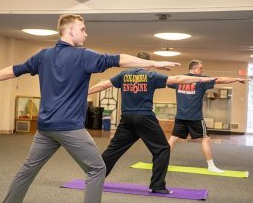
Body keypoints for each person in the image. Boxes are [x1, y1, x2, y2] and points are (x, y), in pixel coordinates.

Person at [0, 15, 180, 203]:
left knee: (27, 170)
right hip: (70, 128)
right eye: (83, 29)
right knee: (97, 169)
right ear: (69, 31)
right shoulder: (84, 56)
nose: (86, 33)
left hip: (46, 128)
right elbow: (119, 59)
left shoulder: (43, 55)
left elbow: (14, 69)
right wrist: (153, 63)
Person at [88, 52, 215, 194]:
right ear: (147, 63)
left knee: (114, 150)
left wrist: (85, 93)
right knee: (162, 149)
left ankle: (95, 178)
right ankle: (158, 185)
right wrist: (202, 79)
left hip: (127, 118)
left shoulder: (124, 74)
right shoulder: (151, 76)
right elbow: (177, 79)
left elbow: (104, 84)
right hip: (145, 118)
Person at [167, 59, 249, 173]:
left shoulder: (180, 79)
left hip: (180, 116)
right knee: (205, 139)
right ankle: (211, 165)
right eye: (200, 68)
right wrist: (236, 78)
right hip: (195, 118)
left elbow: (167, 81)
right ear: (195, 69)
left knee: (173, 138)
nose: (202, 70)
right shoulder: (201, 80)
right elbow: (220, 79)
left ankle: (161, 162)